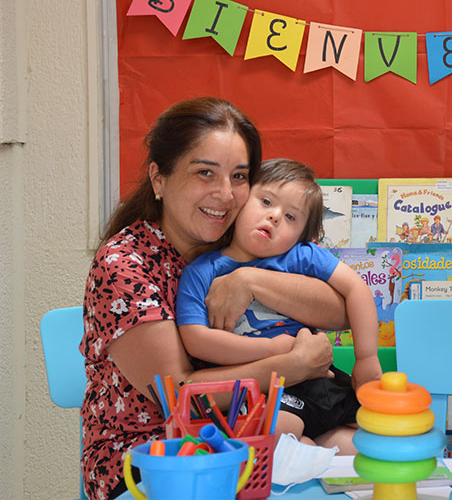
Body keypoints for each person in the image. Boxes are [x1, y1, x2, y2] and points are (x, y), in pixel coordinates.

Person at [80, 97, 351, 500]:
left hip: (255, 423)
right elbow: (179, 394)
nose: (225, 194)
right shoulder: (124, 265)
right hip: (156, 456)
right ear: (159, 178)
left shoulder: (240, 235)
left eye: (239, 176)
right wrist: (289, 365)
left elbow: (340, 311)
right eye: (205, 173)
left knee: (364, 450)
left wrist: (250, 280)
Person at [176, 158, 383, 444]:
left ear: (302, 235)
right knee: (273, 433)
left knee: (376, 439)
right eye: (265, 201)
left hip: (320, 379)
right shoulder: (201, 272)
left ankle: (312, 452)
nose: (274, 216)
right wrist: (272, 348)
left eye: (291, 217)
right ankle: (305, 451)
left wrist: (367, 357)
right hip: (266, 390)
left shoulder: (302, 256)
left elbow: (356, 289)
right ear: (241, 201)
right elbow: (196, 340)